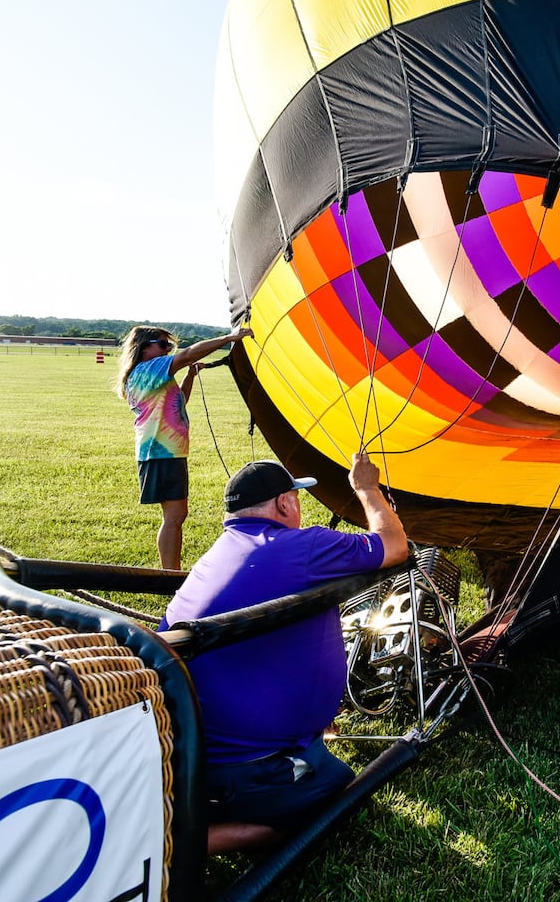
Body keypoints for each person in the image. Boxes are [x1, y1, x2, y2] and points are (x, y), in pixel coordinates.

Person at [158, 452, 410, 853]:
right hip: (246, 767)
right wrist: (367, 489)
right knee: (335, 793)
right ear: (285, 503)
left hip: (189, 753)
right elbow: (395, 546)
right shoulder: (304, 545)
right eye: (297, 498)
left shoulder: (218, 555)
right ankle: (177, 842)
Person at [115, 325, 253, 569]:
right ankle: (171, 575)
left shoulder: (145, 373)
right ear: (145, 347)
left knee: (175, 516)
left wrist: (189, 376)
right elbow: (188, 354)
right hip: (161, 453)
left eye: (170, 346)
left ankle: (172, 573)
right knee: (174, 517)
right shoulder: (150, 368)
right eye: (163, 344)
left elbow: (179, 403)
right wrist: (229, 338)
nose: (168, 350)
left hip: (163, 453)